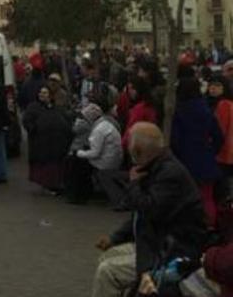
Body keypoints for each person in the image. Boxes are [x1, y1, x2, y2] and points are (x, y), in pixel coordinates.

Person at [90, 122, 207, 297]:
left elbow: (148, 210)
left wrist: (134, 184)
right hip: (157, 240)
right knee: (107, 256)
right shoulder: (157, 166)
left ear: (137, 152)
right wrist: (115, 238)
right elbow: (141, 217)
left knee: (107, 271)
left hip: (172, 248)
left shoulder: (168, 174)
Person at [172, 77, 225, 227]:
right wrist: (211, 151)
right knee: (207, 197)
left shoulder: (178, 111)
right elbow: (219, 136)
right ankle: (208, 227)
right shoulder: (206, 109)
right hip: (204, 159)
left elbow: (174, 139)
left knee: (183, 197)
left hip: (183, 160)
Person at [23, 86, 72, 194]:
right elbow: (27, 121)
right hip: (40, 143)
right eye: (41, 92)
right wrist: (34, 128)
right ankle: (47, 185)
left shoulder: (56, 107)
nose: (42, 94)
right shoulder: (33, 107)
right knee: (44, 165)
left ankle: (55, 184)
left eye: (45, 92)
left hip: (55, 143)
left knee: (54, 165)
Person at [76, 103, 124, 201]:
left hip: (106, 163)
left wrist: (78, 153)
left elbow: (95, 153)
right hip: (115, 158)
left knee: (78, 162)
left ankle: (81, 193)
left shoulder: (99, 129)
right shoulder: (106, 124)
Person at [210, 75, 233, 182]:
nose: (213, 88)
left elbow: (220, 130)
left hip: (223, 151)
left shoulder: (223, 104)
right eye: (211, 85)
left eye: (217, 85)